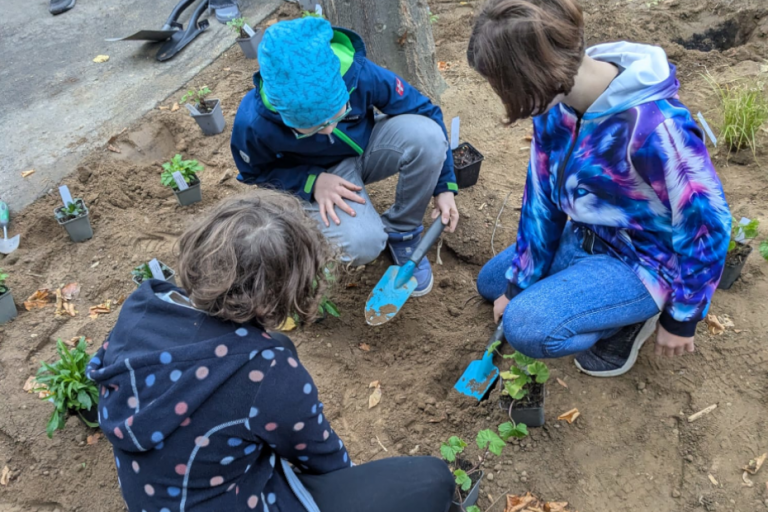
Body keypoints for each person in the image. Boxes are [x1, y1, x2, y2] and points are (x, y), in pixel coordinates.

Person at [85, 190, 455, 512]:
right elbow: (324, 460)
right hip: (232, 502)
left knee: (277, 349)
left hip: (159, 497)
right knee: (432, 480)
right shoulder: (266, 371)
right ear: (273, 298)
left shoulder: (143, 304)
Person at [468, 0, 731, 377]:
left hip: (644, 261)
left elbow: (708, 225)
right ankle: (588, 299)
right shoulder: (555, 108)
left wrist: (682, 317)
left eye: (504, 87)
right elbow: (541, 199)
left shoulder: (654, 128)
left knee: (525, 327)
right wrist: (517, 283)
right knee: (493, 284)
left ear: (536, 74)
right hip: (585, 234)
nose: (503, 98)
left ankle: (628, 322)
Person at [231, 16, 460, 297]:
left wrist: (444, 185)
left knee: (428, 137)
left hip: (368, 147)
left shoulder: (357, 73)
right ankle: (312, 240)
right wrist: (310, 182)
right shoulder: (253, 123)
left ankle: (403, 231)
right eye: (314, 128)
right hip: (321, 175)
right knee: (363, 244)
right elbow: (255, 174)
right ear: (282, 112)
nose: (329, 129)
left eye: (337, 115)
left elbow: (426, 111)